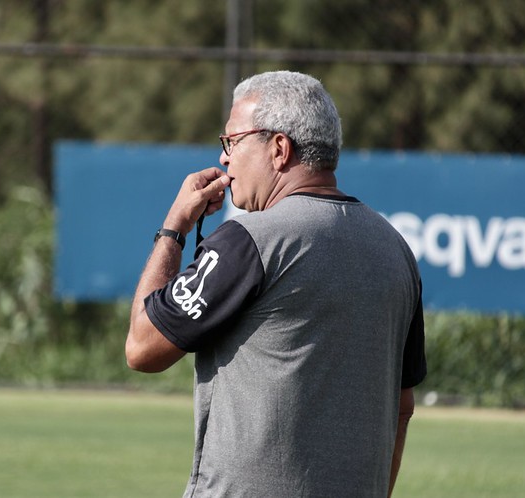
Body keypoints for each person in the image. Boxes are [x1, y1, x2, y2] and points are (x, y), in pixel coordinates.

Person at [125, 70, 427, 498]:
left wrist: (174, 228)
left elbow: (142, 348)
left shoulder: (249, 240)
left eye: (233, 141)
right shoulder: (395, 250)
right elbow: (402, 408)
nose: (225, 158)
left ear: (279, 149)